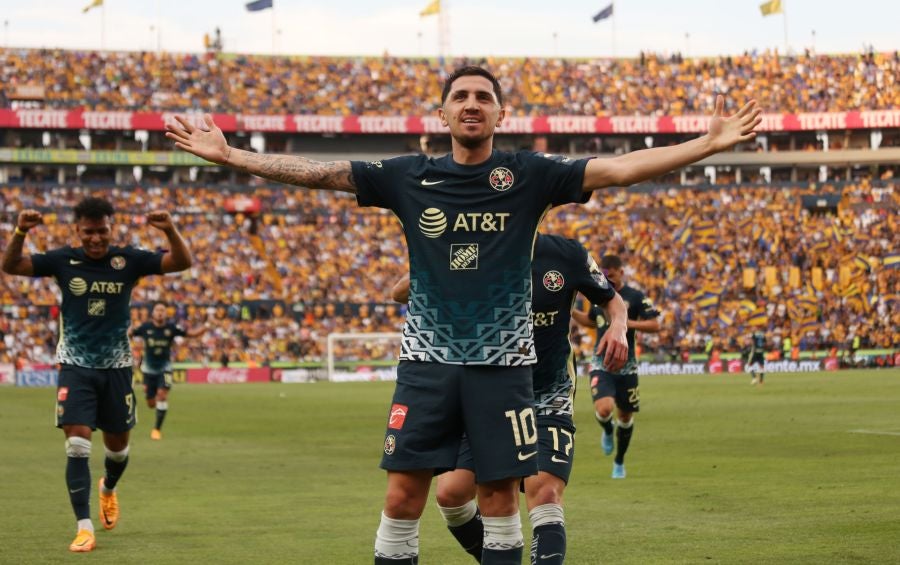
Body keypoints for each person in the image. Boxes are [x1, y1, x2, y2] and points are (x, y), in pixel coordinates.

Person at [166, 65, 760, 564]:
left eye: (483, 97)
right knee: (403, 497)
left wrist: (706, 145)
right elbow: (324, 173)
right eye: (460, 97)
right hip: (426, 363)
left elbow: (621, 168)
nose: (471, 105)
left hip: (504, 368)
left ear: (500, 114)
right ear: (443, 114)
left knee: (500, 500)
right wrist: (231, 156)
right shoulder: (409, 176)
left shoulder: (530, 175)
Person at [392, 232, 628, 564]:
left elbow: (611, 299)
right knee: (451, 496)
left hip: (547, 392)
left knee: (544, 493)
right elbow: (399, 293)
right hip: (489, 393)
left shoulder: (567, 254)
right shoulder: (475, 247)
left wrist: (618, 326)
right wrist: (443, 255)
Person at [1, 197, 192, 552]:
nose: (95, 238)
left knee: (117, 450)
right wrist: (20, 231)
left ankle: (108, 488)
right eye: (88, 232)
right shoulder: (61, 260)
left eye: (101, 231)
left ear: (110, 228)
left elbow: (181, 261)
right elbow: (11, 265)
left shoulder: (128, 260)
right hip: (75, 366)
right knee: (77, 444)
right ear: (77, 230)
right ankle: (84, 527)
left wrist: (169, 229)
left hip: (118, 368)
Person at [573, 254, 661, 479]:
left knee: (625, 417)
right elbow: (591, 321)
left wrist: (622, 321)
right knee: (604, 409)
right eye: (605, 270)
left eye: (612, 270)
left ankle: (619, 461)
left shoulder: (635, 296)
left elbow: (654, 324)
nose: (608, 273)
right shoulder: (598, 294)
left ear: (621, 271)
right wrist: (570, 309)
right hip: (601, 362)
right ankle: (607, 430)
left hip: (627, 366)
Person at [128, 301, 207, 440]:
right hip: (149, 369)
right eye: (157, 310)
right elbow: (130, 333)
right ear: (153, 313)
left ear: (166, 313)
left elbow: (191, 334)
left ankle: (157, 430)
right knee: (151, 402)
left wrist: (206, 326)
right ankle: (151, 398)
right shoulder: (146, 327)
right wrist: (128, 333)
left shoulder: (171, 328)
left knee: (162, 395)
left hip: (165, 368)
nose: (160, 312)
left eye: (162, 310)